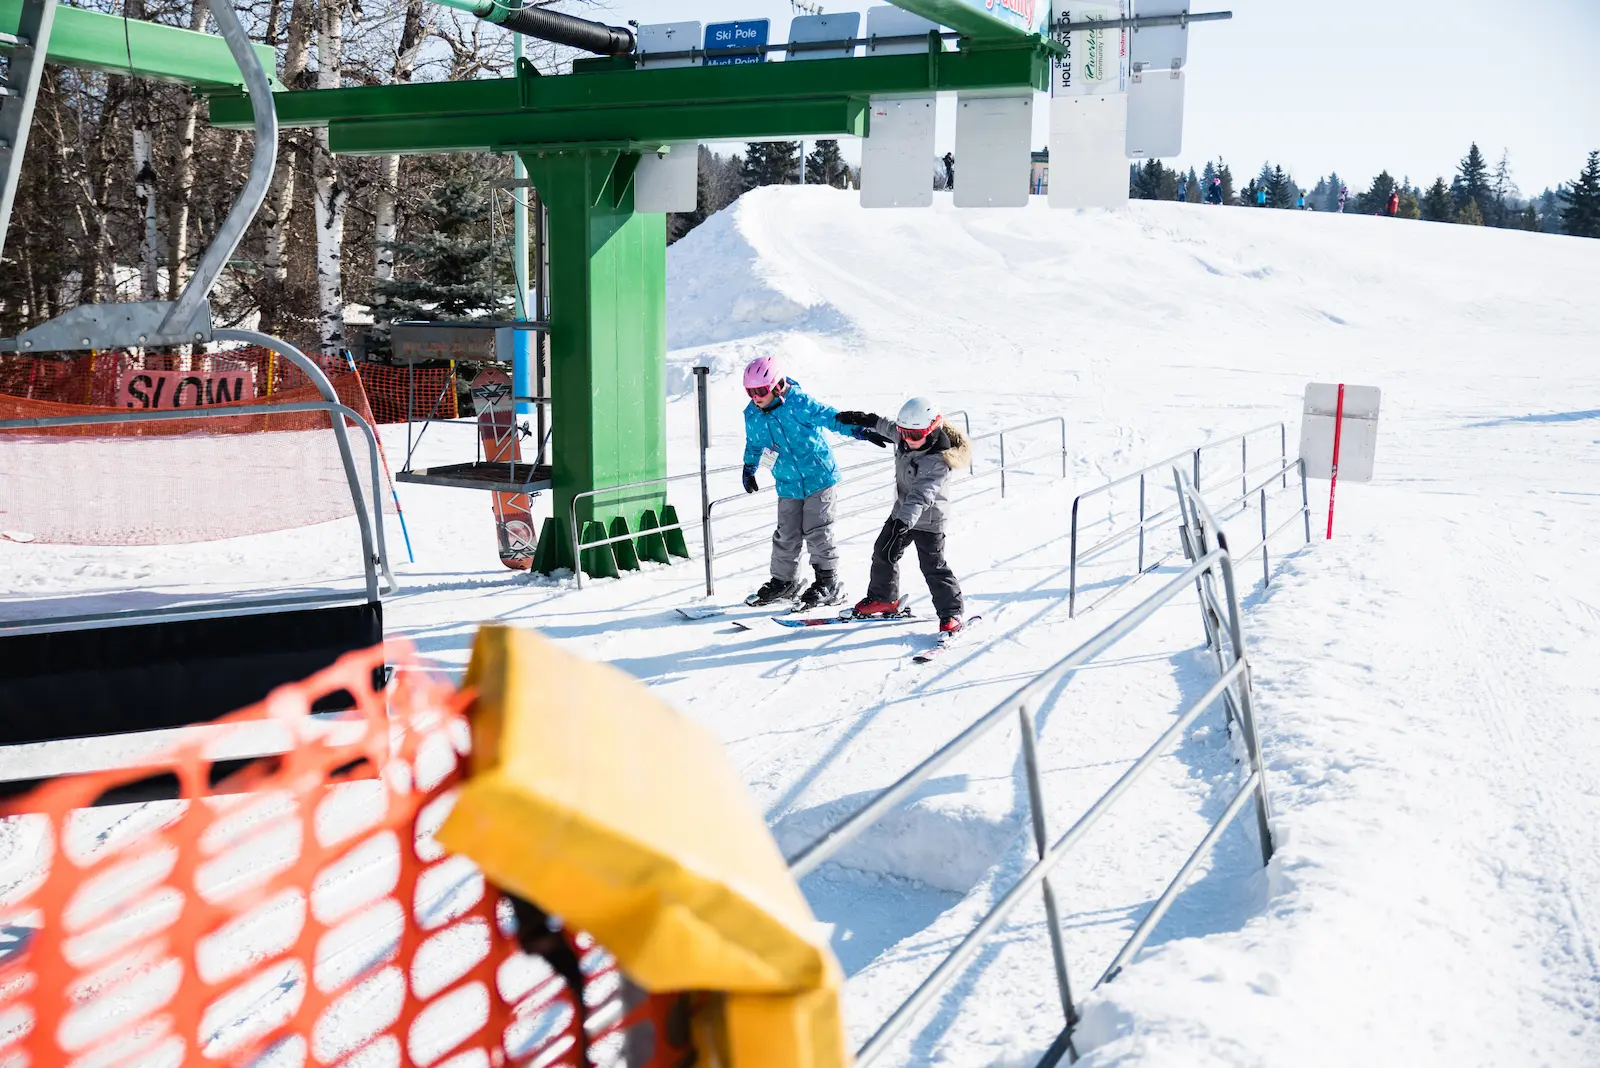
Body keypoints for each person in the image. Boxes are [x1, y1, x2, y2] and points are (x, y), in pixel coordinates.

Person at [741, 356, 886, 610]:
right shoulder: (752, 414)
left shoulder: (799, 403)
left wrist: (861, 431)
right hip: (787, 482)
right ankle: (783, 581)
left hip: (819, 477)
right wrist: (749, 467)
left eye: (760, 390)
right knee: (786, 534)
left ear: (777, 385)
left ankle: (827, 583)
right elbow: (754, 443)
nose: (755, 397)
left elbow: (831, 418)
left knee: (817, 531)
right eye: (750, 391)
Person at [834, 399, 971, 635]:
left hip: (928, 520)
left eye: (915, 435)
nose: (907, 440)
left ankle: (951, 612)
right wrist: (867, 419)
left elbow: (920, 495)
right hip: (901, 513)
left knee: (932, 566)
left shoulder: (937, 460)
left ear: (932, 429)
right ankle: (883, 599)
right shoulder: (907, 439)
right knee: (882, 553)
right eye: (904, 433)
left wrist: (901, 525)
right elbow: (888, 427)